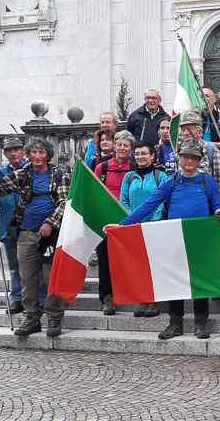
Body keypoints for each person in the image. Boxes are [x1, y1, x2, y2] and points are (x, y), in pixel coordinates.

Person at [118, 139, 220, 340]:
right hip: (175, 239)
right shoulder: (171, 181)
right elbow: (149, 205)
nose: (189, 161)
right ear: (179, 159)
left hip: (200, 240)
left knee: (200, 282)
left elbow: (216, 203)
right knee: (174, 283)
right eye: (186, 157)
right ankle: (175, 323)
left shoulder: (207, 181)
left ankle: (201, 323)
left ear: (198, 161)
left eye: (193, 158)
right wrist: (123, 224)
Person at [0, 138, 71, 337]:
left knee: (51, 277)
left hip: (51, 236)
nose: (37, 156)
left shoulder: (60, 174)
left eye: (41, 153)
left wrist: (49, 223)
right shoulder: (22, 174)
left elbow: (65, 203)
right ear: (28, 156)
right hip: (26, 232)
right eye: (33, 153)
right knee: (27, 278)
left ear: (47, 156)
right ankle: (32, 317)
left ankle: (54, 317)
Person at [0, 135, 47, 315]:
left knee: (39, 265)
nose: (13, 153)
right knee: (14, 266)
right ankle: (17, 298)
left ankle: (41, 299)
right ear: (5, 153)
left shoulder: (34, 169)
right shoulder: (0, 174)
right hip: (9, 226)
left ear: (23, 151)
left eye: (17, 149)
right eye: (9, 150)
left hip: (33, 225)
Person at [119, 140, 168, 318]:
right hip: (133, 227)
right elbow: (123, 199)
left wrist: (152, 221)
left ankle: (154, 300)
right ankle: (142, 298)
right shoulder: (128, 177)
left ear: (152, 156)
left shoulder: (160, 176)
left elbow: (162, 199)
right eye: (137, 154)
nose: (140, 157)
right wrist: (132, 219)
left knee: (154, 263)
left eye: (144, 153)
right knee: (138, 265)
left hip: (154, 227)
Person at [93, 130, 136, 315]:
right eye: (119, 144)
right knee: (104, 259)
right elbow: (94, 193)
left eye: (126, 145)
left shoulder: (135, 167)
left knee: (130, 259)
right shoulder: (101, 168)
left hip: (129, 219)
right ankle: (107, 298)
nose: (122, 148)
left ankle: (132, 294)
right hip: (106, 219)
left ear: (131, 148)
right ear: (114, 145)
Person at [178, 111, 220, 198]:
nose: (185, 133)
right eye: (183, 130)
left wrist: (213, 203)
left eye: (189, 129)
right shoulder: (179, 151)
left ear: (200, 131)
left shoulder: (211, 150)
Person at [200, 87, 220, 152]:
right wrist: (219, 144)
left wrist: (200, 142)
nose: (204, 98)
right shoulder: (194, 117)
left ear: (214, 99)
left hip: (216, 155)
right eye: (201, 96)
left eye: (207, 96)